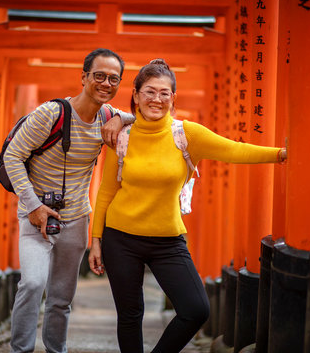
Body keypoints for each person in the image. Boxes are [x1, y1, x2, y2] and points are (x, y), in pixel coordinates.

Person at [88, 59, 287, 353]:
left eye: (164, 93)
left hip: (168, 240)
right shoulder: (123, 137)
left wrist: (281, 154)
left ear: (173, 98)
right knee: (130, 316)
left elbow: (234, 149)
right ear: (136, 94)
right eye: (150, 92)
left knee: (196, 309)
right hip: (121, 237)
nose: (157, 99)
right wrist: (95, 240)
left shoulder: (187, 134)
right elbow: (106, 191)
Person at [4, 48, 135, 353]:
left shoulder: (108, 116)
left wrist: (121, 120)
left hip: (76, 219)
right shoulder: (51, 114)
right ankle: (20, 350)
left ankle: (56, 350)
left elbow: (147, 117)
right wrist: (34, 205)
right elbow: (13, 156)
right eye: (99, 76)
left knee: (62, 298)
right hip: (36, 216)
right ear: (84, 77)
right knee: (33, 283)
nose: (105, 83)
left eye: (113, 79)